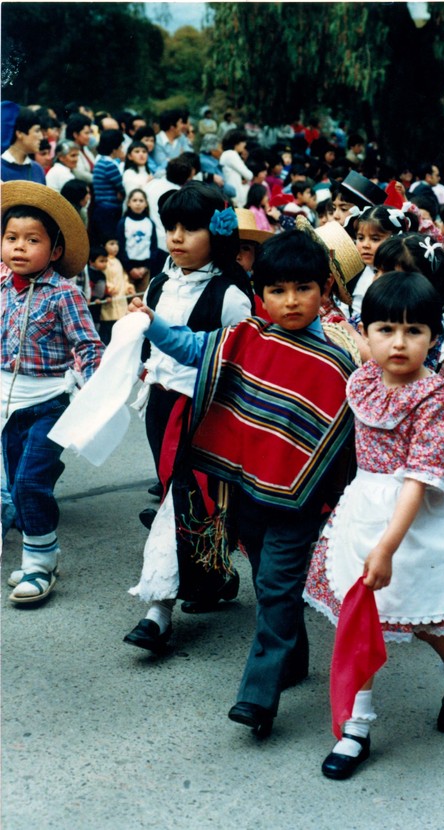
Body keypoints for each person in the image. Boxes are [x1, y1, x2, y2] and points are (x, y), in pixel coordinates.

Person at [127, 229, 355, 736]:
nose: (290, 301)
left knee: (275, 585)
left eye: (303, 288)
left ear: (324, 289)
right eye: (277, 290)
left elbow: (353, 429)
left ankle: (259, 694)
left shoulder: (341, 359)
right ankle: (293, 659)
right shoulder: (245, 336)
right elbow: (192, 347)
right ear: (261, 292)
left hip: (301, 499)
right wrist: (153, 325)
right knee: (268, 579)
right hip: (244, 490)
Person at [304, 273, 444, 780]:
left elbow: (418, 479)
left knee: (430, 622)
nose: (398, 342)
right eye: (385, 329)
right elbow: (326, 323)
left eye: (414, 331)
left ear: (435, 338)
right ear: (365, 334)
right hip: (365, 507)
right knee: (362, 615)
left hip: (419, 519)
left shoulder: (436, 397)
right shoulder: (364, 378)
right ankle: (357, 727)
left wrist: (388, 545)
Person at [123, 183, 256, 651]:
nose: (177, 237)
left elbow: (240, 364)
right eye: (171, 227)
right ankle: (216, 578)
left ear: (216, 233)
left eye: (190, 228)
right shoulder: (161, 282)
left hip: (205, 414)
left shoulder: (231, 295)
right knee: (188, 501)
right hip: (160, 406)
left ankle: (156, 612)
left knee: (177, 503)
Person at [1, 181, 104, 604]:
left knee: (28, 481)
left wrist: (100, 390)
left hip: (49, 404)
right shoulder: (3, 288)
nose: (19, 248)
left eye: (32, 240)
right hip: (8, 403)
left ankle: (41, 565)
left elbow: (88, 346)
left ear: (56, 251)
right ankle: (37, 553)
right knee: (15, 480)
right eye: (11, 239)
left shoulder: (65, 293)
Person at [116, 188, 158, 294]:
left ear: (146, 204)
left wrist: (145, 267)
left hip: (145, 268)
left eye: (141, 200)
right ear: (129, 203)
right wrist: (130, 268)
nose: (138, 204)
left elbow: (153, 247)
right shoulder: (123, 222)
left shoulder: (149, 223)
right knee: (128, 297)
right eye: (134, 200)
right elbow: (120, 247)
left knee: (141, 299)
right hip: (128, 268)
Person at [90, 128, 125, 243]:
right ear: (114, 149)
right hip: (109, 209)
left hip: (101, 207)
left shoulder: (100, 162)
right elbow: (121, 188)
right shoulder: (109, 165)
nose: (122, 149)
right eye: (120, 147)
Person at [99, 237, 134, 345]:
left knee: (121, 326)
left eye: (117, 244)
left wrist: (128, 287)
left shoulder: (118, 261)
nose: (115, 247)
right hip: (110, 300)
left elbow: (124, 277)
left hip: (121, 298)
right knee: (109, 328)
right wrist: (108, 288)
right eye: (111, 243)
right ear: (104, 246)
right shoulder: (105, 262)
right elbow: (103, 278)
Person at [0, 104, 46, 183]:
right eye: (37, 131)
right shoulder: (2, 167)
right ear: (20, 133)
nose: (41, 137)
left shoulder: (37, 170)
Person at [220, 129, 253, 207]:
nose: (245, 144)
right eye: (243, 142)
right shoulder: (231, 154)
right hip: (235, 197)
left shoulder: (226, 154)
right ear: (236, 143)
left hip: (232, 195)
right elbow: (249, 175)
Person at [154, 109, 192, 174]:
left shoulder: (182, 138)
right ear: (172, 126)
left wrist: (175, 160)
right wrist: (181, 157)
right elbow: (164, 165)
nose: (182, 126)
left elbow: (191, 158)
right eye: (180, 123)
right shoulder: (157, 142)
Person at [65, 113, 96, 185]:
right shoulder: (69, 151)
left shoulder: (85, 148)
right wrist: (100, 180)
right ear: (75, 134)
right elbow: (79, 174)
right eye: (86, 133)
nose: (89, 136)